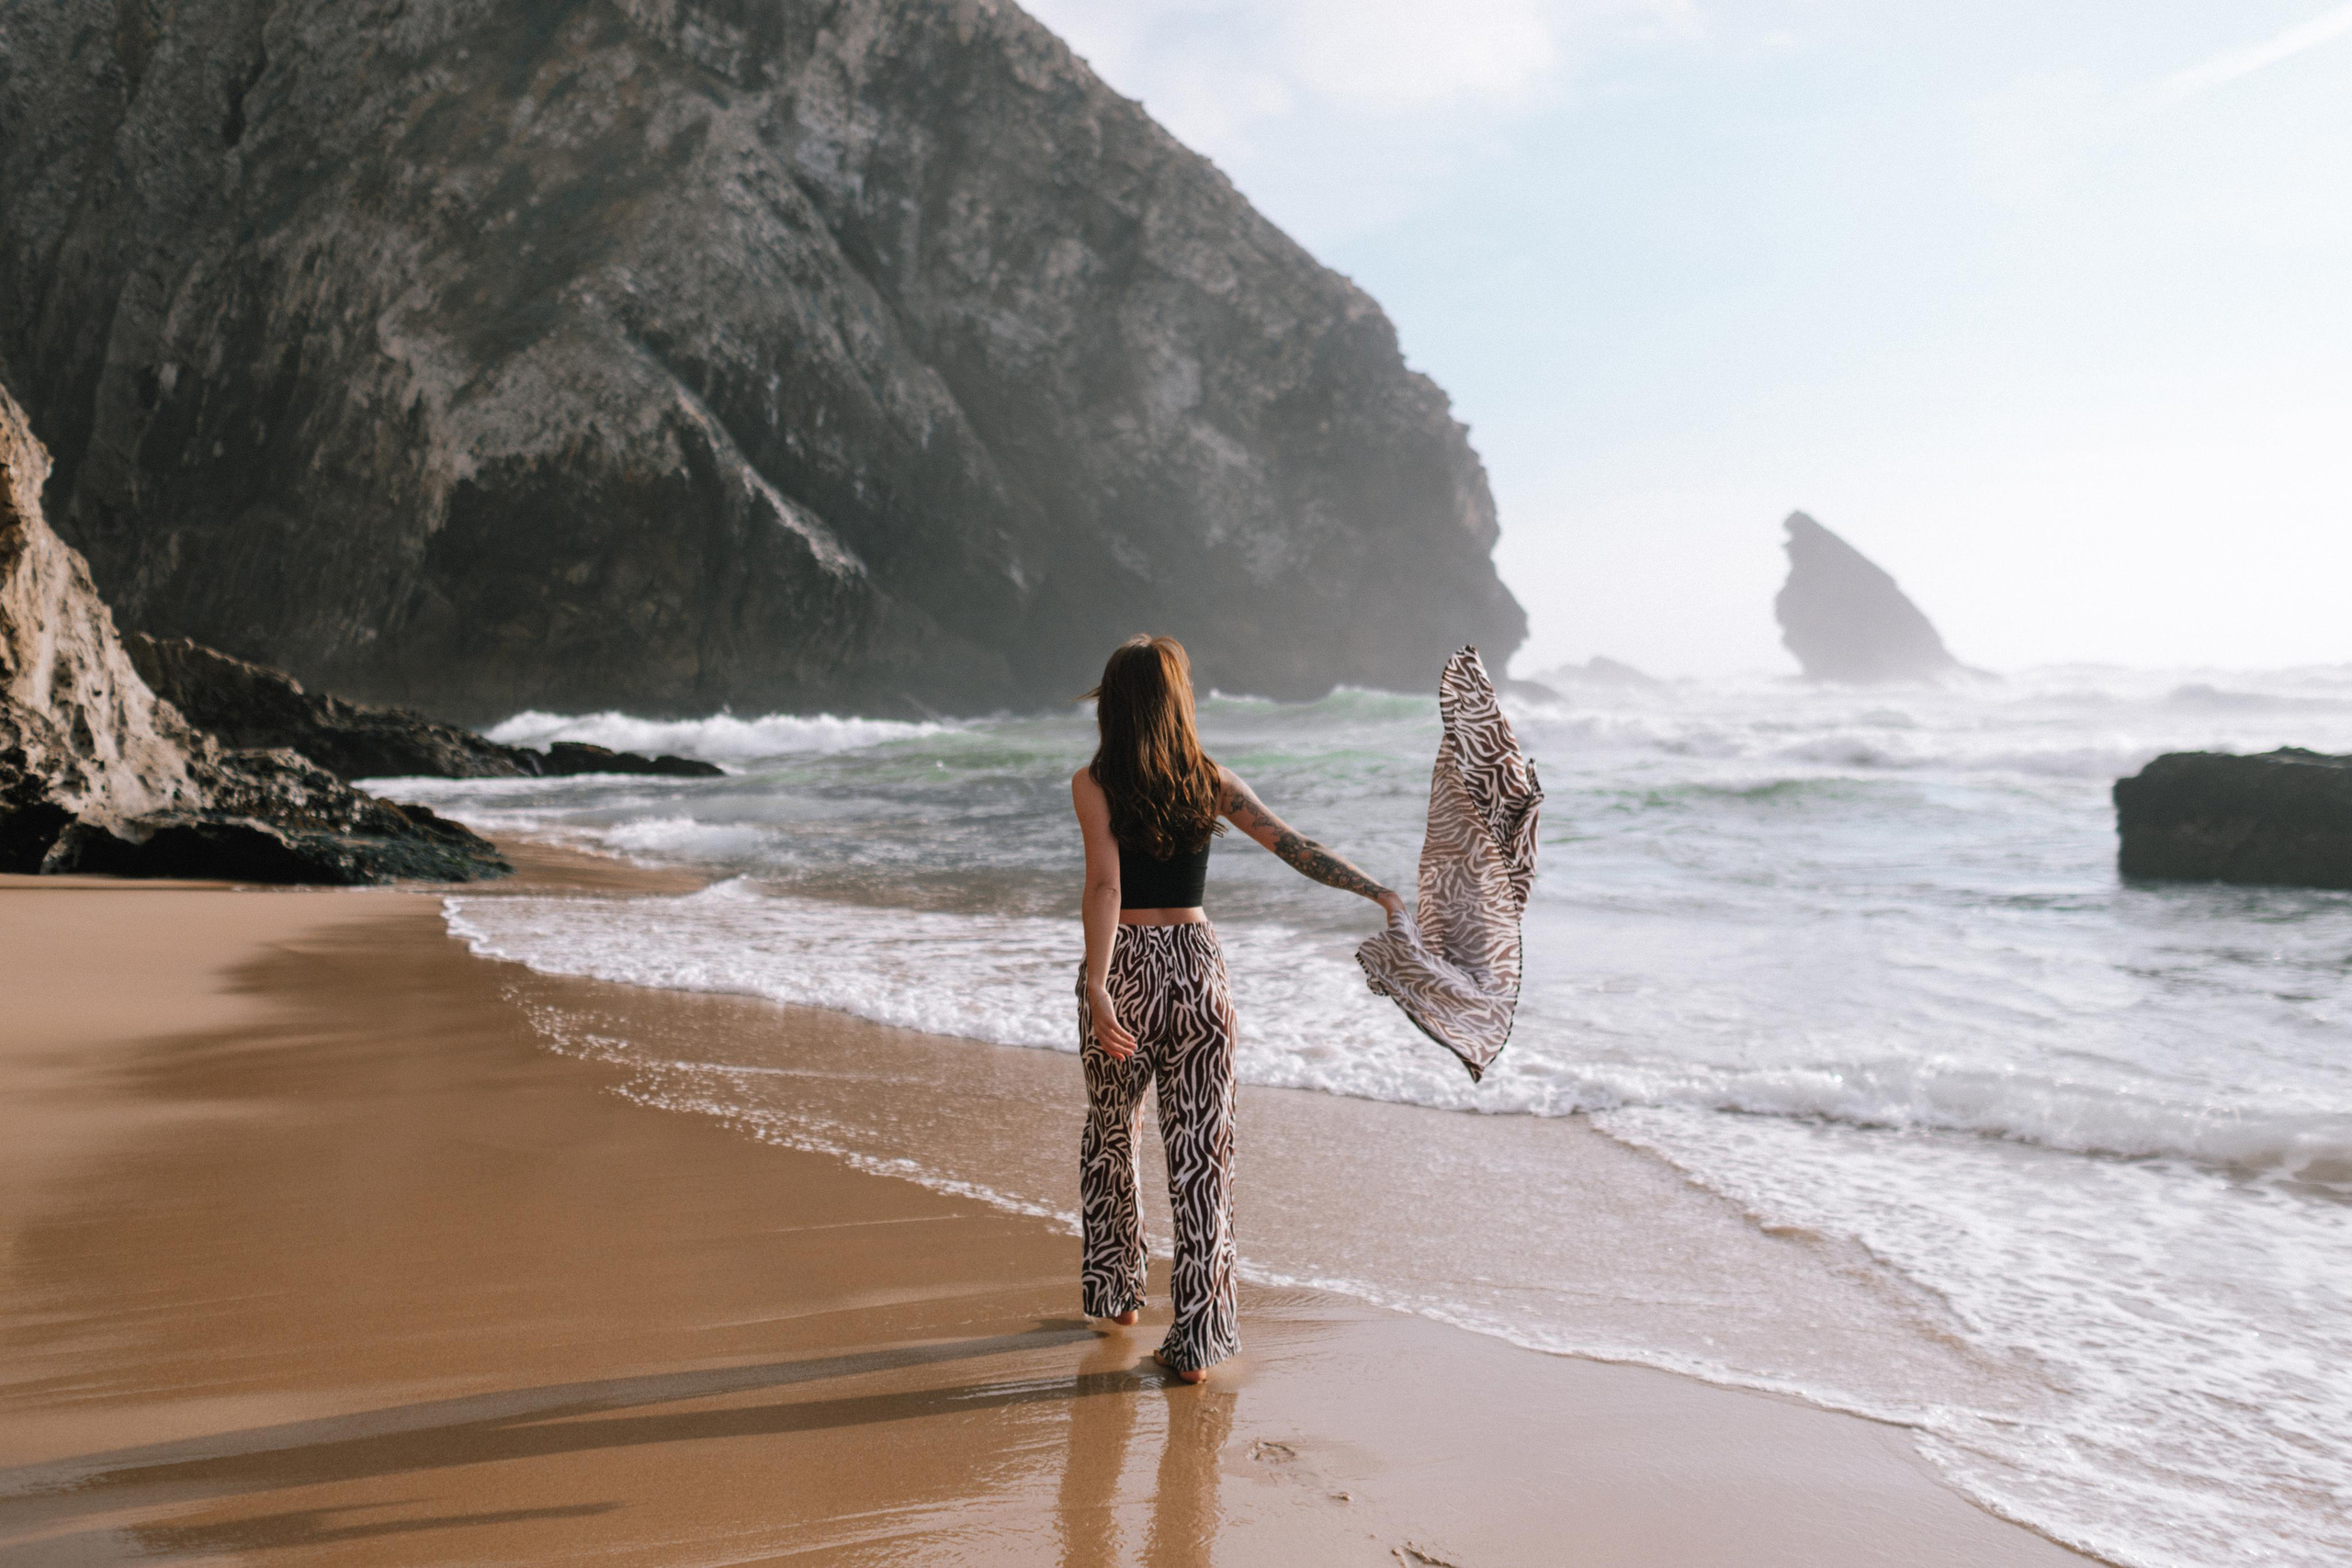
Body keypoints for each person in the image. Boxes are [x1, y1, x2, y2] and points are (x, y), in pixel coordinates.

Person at [1070, 635, 1405, 1383]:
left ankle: (1119, 1293)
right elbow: (1293, 845)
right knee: (1201, 1159)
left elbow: (1105, 886)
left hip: (1124, 966)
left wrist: (1098, 984)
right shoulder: (1210, 779)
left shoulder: (1092, 783)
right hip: (1198, 975)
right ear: (1177, 699)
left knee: (1111, 1132)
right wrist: (1375, 889)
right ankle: (1198, 1338)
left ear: (1115, 702)